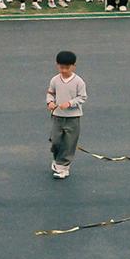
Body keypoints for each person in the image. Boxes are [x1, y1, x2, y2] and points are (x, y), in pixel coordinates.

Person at [47, 50, 86, 180]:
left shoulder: (79, 82)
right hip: (57, 116)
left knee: (69, 143)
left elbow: (82, 97)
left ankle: (63, 168)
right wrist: (50, 102)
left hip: (73, 118)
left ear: (73, 66)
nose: (63, 70)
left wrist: (70, 103)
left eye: (67, 68)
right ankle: (57, 160)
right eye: (61, 67)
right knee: (55, 141)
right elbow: (50, 93)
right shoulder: (55, 80)